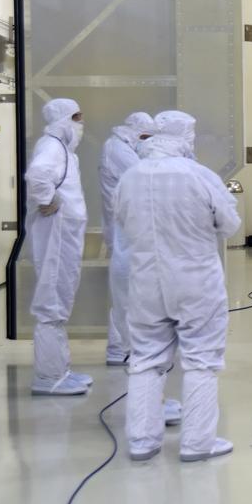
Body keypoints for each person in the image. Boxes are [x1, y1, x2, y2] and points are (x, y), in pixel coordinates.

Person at [115, 111, 241, 462]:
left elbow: (122, 221)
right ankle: (198, 444)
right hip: (195, 280)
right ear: (186, 136)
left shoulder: (131, 177)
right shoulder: (199, 176)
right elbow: (229, 224)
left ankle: (141, 441)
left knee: (145, 360)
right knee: (201, 360)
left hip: (145, 282)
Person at [26, 98, 91, 396]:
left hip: (64, 234)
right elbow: (38, 175)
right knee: (52, 299)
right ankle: (48, 377)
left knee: (61, 297)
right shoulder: (51, 146)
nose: (80, 125)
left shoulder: (62, 149)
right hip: (55, 233)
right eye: (76, 118)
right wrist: (46, 200)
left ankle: (60, 370)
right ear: (63, 119)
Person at [99, 112, 156, 365]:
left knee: (128, 291)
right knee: (125, 292)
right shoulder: (117, 148)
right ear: (133, 131)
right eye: (144, 137)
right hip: (123, 228)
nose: (146, 142)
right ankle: (123, 348)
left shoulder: (123, 146)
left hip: (128, 227)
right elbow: (144, 175)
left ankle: (122, 347)